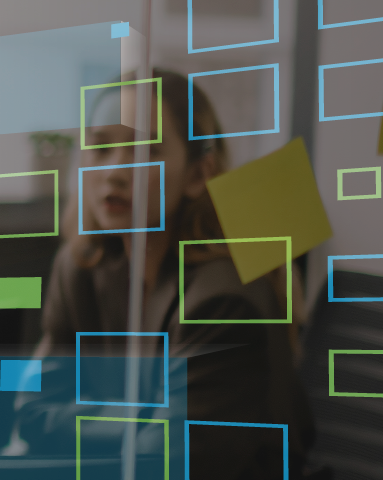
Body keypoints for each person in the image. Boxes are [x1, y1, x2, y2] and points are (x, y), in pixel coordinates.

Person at [18, 69, 312, 476]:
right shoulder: (80, 266)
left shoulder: (224, 298)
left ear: (198, 174)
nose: (115, 171)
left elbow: (172, 457)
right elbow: (32, 412)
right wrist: (146, 421)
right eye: (100, 148)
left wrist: (91, 419)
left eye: (144, 151)